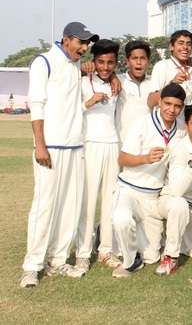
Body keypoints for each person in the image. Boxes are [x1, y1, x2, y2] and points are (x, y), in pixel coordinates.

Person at [20, 22, 99, 288]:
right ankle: (32, 266)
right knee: (44, 207)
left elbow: (70, 105)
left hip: (75, 147)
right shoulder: (44, 62)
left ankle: (58, 260)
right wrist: (40, 144)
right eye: (81, 42)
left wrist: (89, 101)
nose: (85, 48)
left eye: (87, 43)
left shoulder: (75, 66)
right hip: (50, 148)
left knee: (70, 207)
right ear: (66, 39)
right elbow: (37, 104)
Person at [111, 83, 186, 278]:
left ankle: (130, 245)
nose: (171, 110)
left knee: (152, 257)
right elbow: (123, 159)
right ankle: (130, 261)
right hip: (129, 189)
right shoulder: (142, 123)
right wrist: (145, 158)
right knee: (121, 218)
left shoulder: (180, 129)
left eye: (177, 106)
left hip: (153, 196)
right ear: (159, 102)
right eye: (167, 104)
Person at [75, 39, 122, 273]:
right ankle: (82, 253)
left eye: (110, 62)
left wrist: (114, 78)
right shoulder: (83, 81)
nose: (105, 67)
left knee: (110, 200)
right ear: (93, 62)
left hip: (112, 144)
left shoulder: (117, 82)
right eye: (101, 62)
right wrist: (88, 103)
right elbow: (72, 111)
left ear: (116, 63)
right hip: (91, 145)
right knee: (88, 200)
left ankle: (106, 249)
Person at [155, 103, 192, 275]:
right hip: (170, 200)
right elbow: (177, 190)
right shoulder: (179, 148)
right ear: (186, 125)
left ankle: (167, 238)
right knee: (179, 204)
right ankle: (170, 258)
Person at [147, 30, 192, 123]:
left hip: (187, 128)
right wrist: (172, 84)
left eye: (189, 44)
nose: (185, 47)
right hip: (165, 126)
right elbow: (151, 101)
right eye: (181, 43)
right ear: (171, 46)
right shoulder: (162, 66)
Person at [116, 40, 153, 143]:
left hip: (147, 142)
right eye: (134, 58)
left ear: (148, 61)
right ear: (127, 61)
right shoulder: (119, 80)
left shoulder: (154, 82)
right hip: (123, 142)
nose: (139, 62)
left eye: (143, 58)